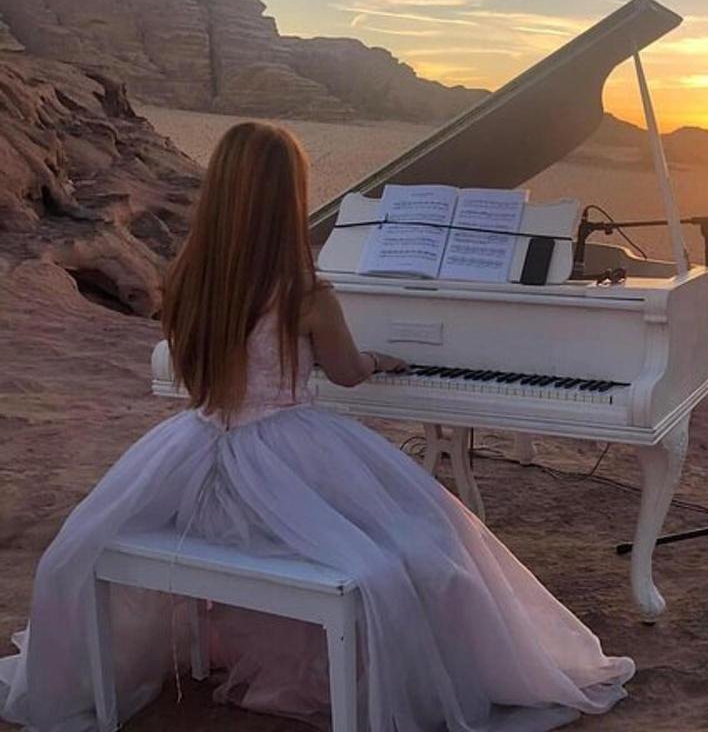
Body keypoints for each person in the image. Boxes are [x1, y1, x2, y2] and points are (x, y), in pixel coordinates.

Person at [0, 121, 634, 731]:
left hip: (195, 458)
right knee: (430, 549)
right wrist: (378, 359)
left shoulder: (190, 276)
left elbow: (202, 368)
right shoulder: (307, 291)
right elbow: (349, 373)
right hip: (283, 459)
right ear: (287, 199)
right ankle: (444, 673)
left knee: (388, 543)